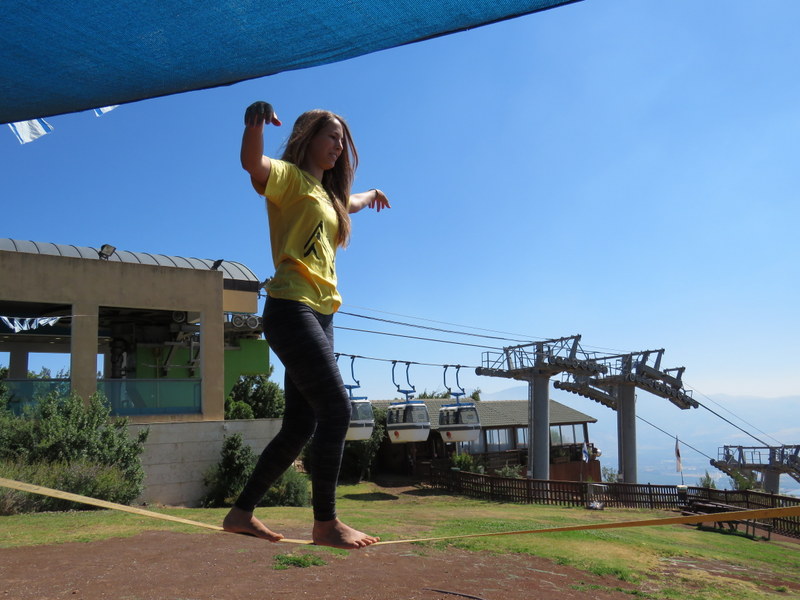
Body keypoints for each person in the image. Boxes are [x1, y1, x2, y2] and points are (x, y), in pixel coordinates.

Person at [222, 101, 389, 549]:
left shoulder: (330, 197)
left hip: (322, 315)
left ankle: (241, 513)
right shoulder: (291, 179)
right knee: (336, 409)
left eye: (342, 141)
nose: (339, 147)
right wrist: (254, 124)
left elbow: (352, 202)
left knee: (300, 426)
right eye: (332, 137)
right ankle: (326, 523)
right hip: (291, 307)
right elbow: (252, 163)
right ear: (308, 137)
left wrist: (373, 193)